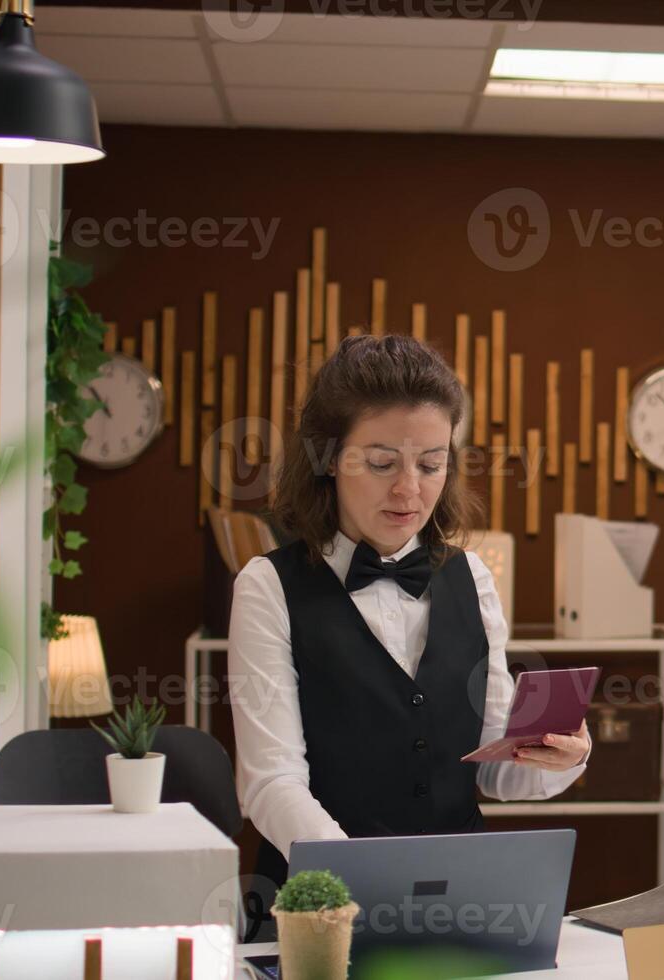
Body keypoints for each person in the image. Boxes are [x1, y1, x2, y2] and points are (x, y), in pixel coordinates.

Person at [229, 334, 591, 897]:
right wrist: (358, 878)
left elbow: (492, 768)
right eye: (380, 463)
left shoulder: (473, 578)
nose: (408, 490)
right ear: (327, 458)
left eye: (431, 464)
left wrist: (565, 757)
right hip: (318, 901)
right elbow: (271, 782)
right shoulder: (267, 586)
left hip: (460, 900)